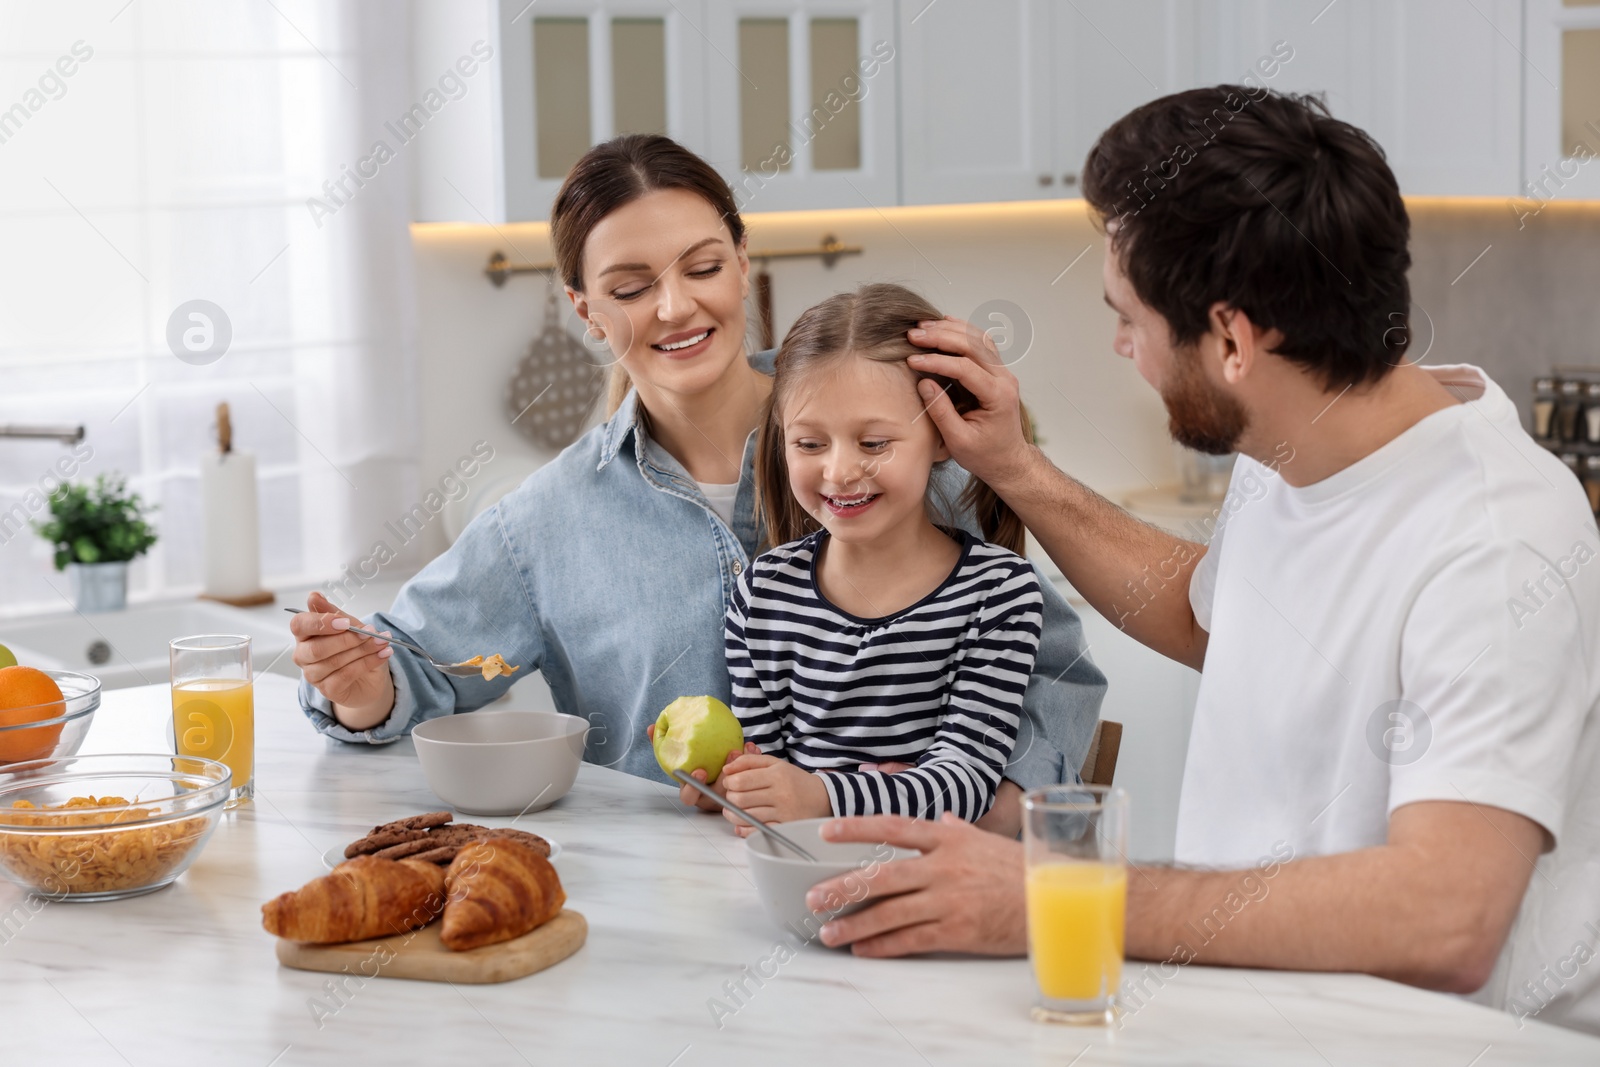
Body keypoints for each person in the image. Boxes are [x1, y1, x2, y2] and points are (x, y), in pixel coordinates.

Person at [807, 88, 1600, 1034]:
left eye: (1131, 318)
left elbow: (1448, 914)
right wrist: (1015, 466)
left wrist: (1053, 893)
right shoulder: (1297, 438)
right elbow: (1209, 619)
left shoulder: (1494, 539)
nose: (1120, 345)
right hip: (1256, 1017)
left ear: (1231, 339)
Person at [287, 134, 1106, 834]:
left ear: (743, 263)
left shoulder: (897, 447)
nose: (675, 307)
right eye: (631, 288)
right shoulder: (544, 521)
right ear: (586, 312)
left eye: (703, 266)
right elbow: (419, 670)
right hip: (667, 922)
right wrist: (363, 688)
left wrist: (997, 803)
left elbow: (1055, 668)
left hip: (912, 887)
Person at [685, 283, 1044, 829]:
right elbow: (770, 770)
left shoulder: (999, 595)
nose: (840, 471)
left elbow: (966, 785)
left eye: (874, 443)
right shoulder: (761, 595)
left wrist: (819, 795)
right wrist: (738, 783)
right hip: (798, 884)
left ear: (944, 435)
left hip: (934, 896)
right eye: (809, 444)